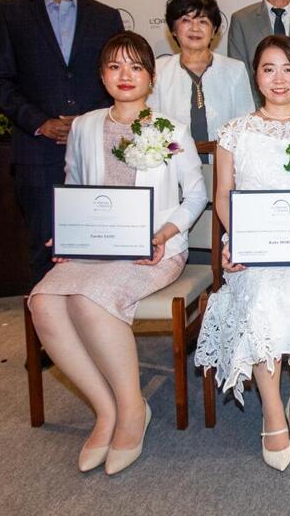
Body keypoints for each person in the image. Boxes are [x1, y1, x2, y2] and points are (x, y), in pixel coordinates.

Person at [27, 31, 207, 475]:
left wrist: (165, 233)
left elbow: (196, 194)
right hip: (92, 247)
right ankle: (106, 409)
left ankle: (131, 410)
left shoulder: (170, 129)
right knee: (43, 302)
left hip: (154, 249)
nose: (125, 75)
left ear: (151, 76)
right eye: (114, 66)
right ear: (102, 75)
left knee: (89, 303)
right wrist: (66, 234)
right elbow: (74, 185)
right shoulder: (85, 126)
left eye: (135, 66)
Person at [195, 35, 290, 471]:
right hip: (252, 245)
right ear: (256, 76)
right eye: (268, 69)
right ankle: (272, 409)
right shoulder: (235, 132)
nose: (279, 79)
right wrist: (238, 240)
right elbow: (223, 196)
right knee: (261, 293)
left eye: (288, 69)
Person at [0, 0, 123, 284]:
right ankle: (49, 322)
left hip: (95, 147)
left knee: (102, 244)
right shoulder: (10, 14)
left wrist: (87, 120)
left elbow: (120, 80)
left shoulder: (106, 17)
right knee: (46, 247)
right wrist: (41, 122)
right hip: (38, 152)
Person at [150, 0, 254, 148]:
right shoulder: (158, 70)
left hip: (223, 161)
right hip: (173, 161)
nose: (195, 28)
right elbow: (151, 127)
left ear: (214, 30)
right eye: (186, 20)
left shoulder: (235, 70)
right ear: (173, 29)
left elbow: (245, 128)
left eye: (203, 21)